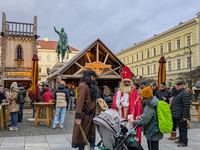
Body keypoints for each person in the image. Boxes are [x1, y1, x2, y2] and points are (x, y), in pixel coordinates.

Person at [112, 66, 142, 144]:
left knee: (130, 133)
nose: (126, 83)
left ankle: (130, 145)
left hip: (130, 116)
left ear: (130, 82)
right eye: (125, 82)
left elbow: (138, 105)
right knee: (121, 132)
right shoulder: (119, 91)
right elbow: (114, 103)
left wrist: (128, 105)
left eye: (128, 82)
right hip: (121, 115)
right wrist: (120, 103)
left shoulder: (134, 91)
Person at [72, 70, 98, 150]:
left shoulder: (90, 86)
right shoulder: (83, 86)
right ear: (89, 77)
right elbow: (80, 102)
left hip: (90, 116)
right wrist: (78, 117)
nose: (94, 79)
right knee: (81, 137)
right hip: (84, 116)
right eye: (93, 77)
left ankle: (92, 147)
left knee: (91, 134)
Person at [171, 81, 190, 147]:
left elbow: (186, 105)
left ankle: (184, 142)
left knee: (183, 128)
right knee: (180, 128)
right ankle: (181, 139)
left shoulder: (185, 93)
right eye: (177, 85)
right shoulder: (179, 93)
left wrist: (185, 116)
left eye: (178, 85)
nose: (177, 86)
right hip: (177, 114)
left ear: (182, 86)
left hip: (181, 114)